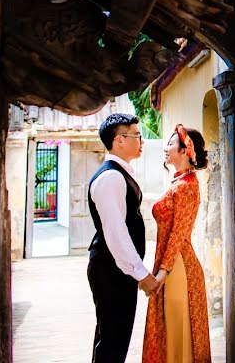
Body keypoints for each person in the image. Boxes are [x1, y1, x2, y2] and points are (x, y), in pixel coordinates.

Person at [87, 113, 162, 363]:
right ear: (119, 140)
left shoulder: (120, 173)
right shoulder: (111, 177)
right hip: (111, 270)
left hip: (117, 270)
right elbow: (117, 234)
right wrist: (141, 274)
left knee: (114, 338)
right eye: (137, 136)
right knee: (112, 339)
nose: (142, 141)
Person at [142, 124, 212, 363]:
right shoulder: (180, 183)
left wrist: (162, 273)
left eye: (171, 143)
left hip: (177, 267)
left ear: (185, 150)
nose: (166, 148)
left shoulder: (186, 187)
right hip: (173, 263)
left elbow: (178, 234)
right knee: (172, 332)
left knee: (177, 332)